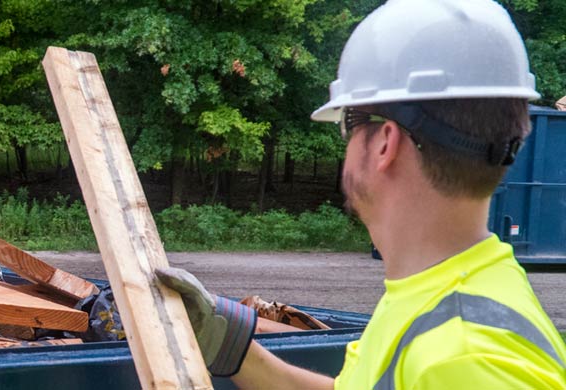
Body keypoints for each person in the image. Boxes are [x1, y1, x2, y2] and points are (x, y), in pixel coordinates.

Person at [154, 0, 566, 388]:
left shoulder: (466, 358)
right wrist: (230, 347)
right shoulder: (439, 294)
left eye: (348, 123)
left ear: (386, 142)